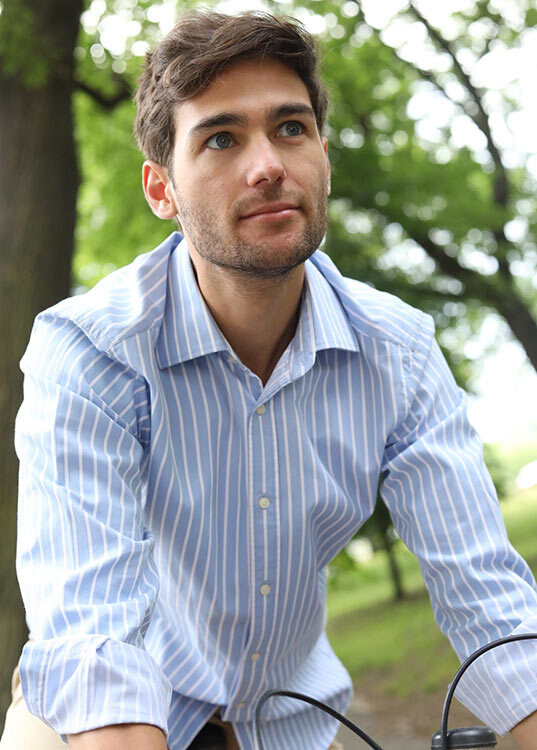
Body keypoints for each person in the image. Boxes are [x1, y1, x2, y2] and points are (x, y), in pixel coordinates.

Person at [2, 8, 537, 750]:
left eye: (290, 128)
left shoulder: (400, 352)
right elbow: (93, 646)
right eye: (221, 138)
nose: (267, 166)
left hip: (295, 718)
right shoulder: (91, 352)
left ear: (323, 154)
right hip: (104, 719)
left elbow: (491, 605)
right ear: (161, 190)